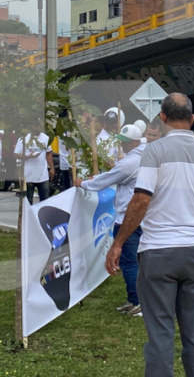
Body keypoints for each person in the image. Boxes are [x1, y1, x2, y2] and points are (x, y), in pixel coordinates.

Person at [107, 93, 194, 377]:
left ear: (162, 118)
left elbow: (141, 200)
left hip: (159, 251)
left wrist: (119, 242)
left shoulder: (155, 152)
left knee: (160, 333)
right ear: (193, 119)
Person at [80, 123, 147, 316]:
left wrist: (83, 183)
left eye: (126, 143)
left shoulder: (129, 163)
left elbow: (104, 181)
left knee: (129, 262)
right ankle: (135, 299)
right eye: (122, 142)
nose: (123, 146)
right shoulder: (147, 154)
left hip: (127, 217)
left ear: (135, 142)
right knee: (138, 261)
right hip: (144, 216)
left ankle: (137, 301)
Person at [15, 129, 51, 203]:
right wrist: (28, 156)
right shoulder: (23, 138)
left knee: (45, 201)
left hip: (43, 175)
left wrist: (52, 167)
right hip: (28, 175)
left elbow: (49, 153)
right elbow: (16, 154)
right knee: (28, 201)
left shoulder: (46, 138)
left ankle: (42, 214)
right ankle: (28, 214)